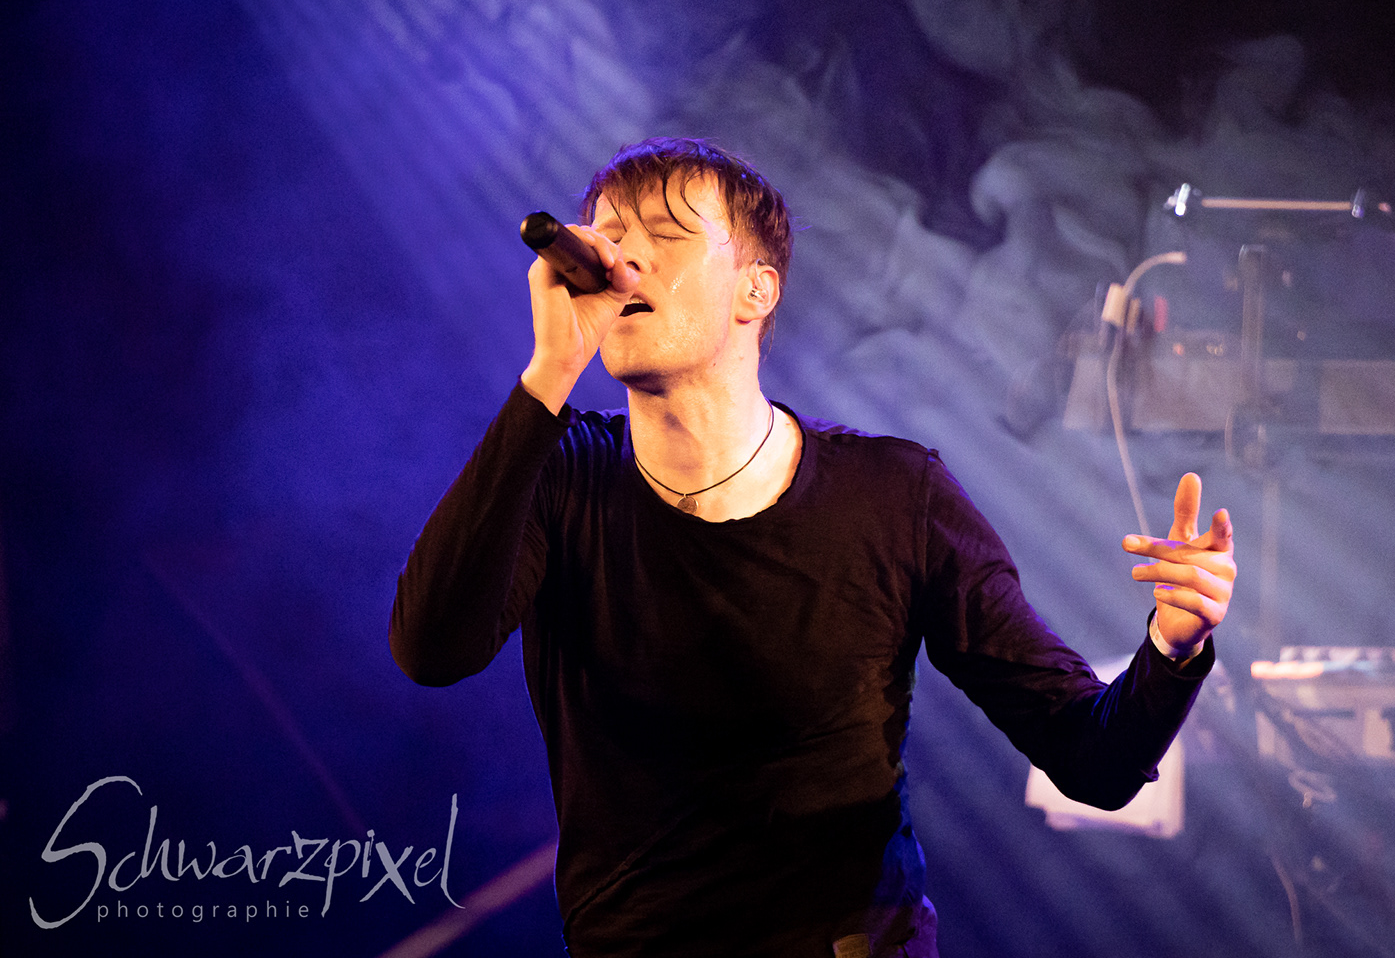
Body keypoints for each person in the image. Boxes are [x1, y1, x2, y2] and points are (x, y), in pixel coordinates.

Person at [389, 138, 1235, 957]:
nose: (623, 261)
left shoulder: (893, 495)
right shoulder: (559, 475)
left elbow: (1092, 762)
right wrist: (550, 371)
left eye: (666, 237)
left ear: (756, 290)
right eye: (608, 239)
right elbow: (431, 650)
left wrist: (1173, 648)